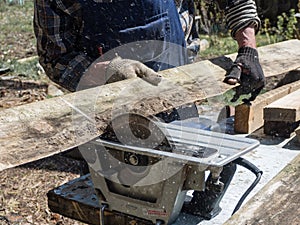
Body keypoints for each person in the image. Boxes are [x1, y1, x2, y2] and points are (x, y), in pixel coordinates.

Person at [34, 0, 265, 102]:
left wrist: (248, 49)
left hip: (178, 90)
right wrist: (106, 72)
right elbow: (57, 58)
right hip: (105, 110)